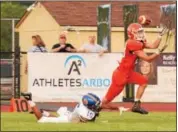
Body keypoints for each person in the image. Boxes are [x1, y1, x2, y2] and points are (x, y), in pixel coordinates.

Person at [101, 23, 167, 114]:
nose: (141, 34)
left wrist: (159, 36)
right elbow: (148, 59)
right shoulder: (132, 43)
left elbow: (153, 46)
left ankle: (136, 105)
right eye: (138, 32)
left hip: (129, 73)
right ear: (132, 34)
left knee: (143, 82)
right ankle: (94, 109)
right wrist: (158, 52)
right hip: (121, 76)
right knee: (104, 103)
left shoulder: (137, 42)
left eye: (141, 32)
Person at [27, 93, 101, 123]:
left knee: (56, 118)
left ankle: (43, 112)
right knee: (41, 119)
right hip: (67, 120)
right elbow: (87, 121)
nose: (96, 107)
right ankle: (29, 100)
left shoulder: (83, 107)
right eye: (95, 105)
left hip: (68, 115)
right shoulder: (83, 111)